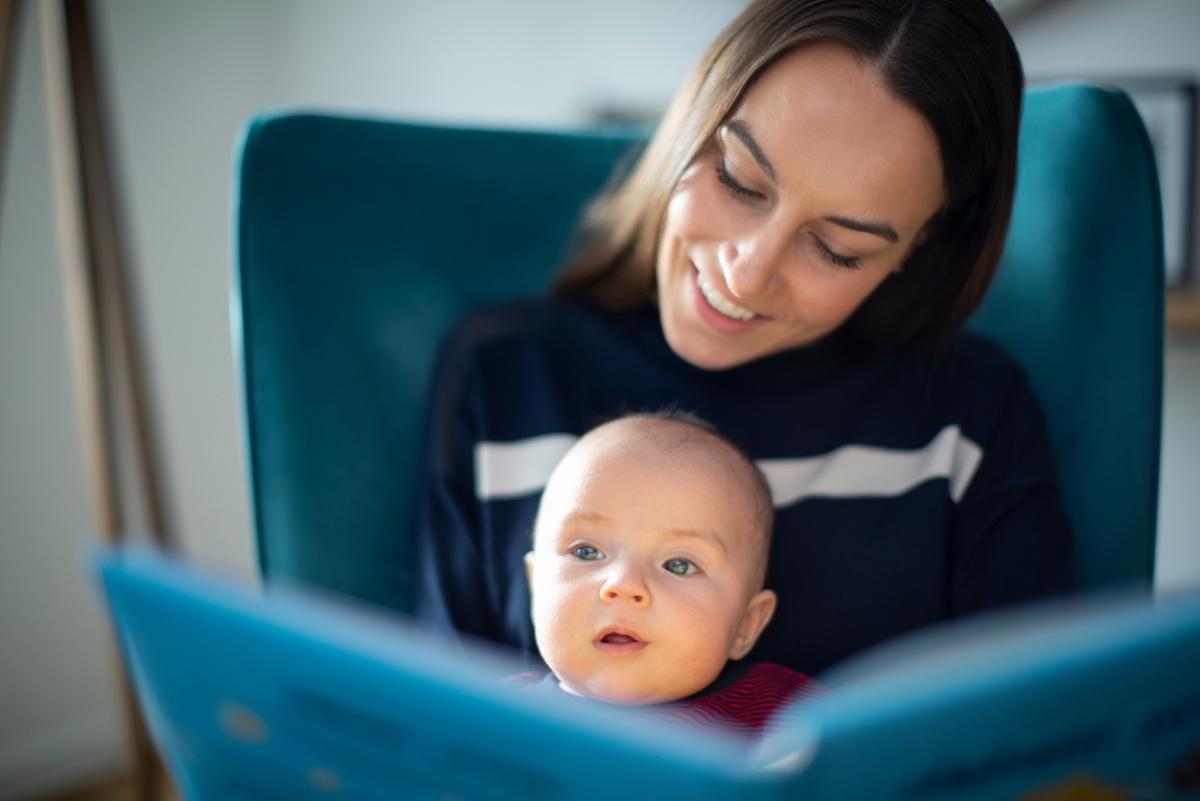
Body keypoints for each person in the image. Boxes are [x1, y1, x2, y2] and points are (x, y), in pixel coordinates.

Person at [414, 0, 1073, 677]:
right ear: (691, 123)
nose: (749, 272)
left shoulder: (966, 417)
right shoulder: (506, 375)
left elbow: (1034, 740)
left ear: (919, 245)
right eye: (739, 179)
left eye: (836, 248)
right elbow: (441, 737)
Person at [513, 412, 819, 735]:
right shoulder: (494, 716)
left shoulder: (787, 715)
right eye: (586, 552)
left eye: (679, 565)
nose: (624, 584)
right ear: (535, 587)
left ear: (745, 624)